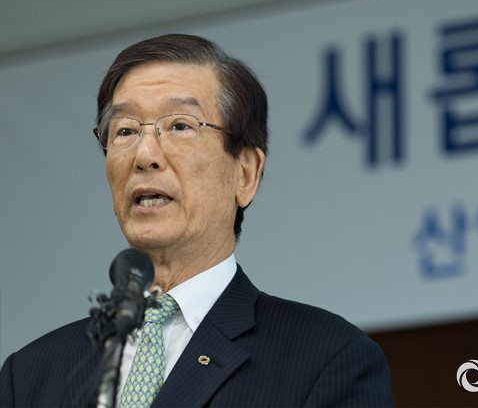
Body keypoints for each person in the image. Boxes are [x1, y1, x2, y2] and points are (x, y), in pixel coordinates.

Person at [0, 34, 393, 407]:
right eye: (125, 130)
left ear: (245, 174)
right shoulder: (31, 376)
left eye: (180, 126)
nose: (144, 155)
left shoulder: (326, 359)